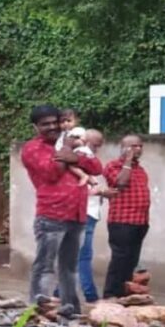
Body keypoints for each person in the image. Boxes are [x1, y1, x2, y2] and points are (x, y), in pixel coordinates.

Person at [20, 104, 103, 315]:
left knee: (70, 267)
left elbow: (96, 167)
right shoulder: (32, 148)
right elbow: (52, 173)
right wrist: (66, 150)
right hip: (51, 215)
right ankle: (37, 311)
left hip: (77, 214)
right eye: (45, 124)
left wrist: (74, 156)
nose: (52, 127)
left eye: (55, 122)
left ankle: (70, 310)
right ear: (35, 127)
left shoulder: (73, 143)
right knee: (45, 265)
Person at [102, 135, 151, 299]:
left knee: (132, 260)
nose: (138, 149)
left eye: (140, 146)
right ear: (123, 148)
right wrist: (128, 162)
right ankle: (110, 294)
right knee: (119, 259)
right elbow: (121, 183)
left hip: (140, 221)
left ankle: (124, 293)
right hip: (122, 221)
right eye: (134, 146)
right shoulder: (113, 166)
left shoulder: (141, 170)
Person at [76, 129, 113, 303]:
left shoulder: (80, 159)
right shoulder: (82, 154)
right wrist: (99, 191)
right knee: (83, 256)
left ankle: (58, 293)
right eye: (96, 145)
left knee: (78, 255)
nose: (97, 150)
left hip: (88, 213)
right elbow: (75, 189)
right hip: (84, 213)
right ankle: (90, 295)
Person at [56, 108, 93, 187]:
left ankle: (84, 176)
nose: (65, 123)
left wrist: (76, 143)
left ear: (76, 121)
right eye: (62, 122)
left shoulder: (78, 130)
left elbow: (83, 140)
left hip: (80, 152)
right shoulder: (62, 134)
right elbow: (59, 145)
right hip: (70, 153)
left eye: (69, 121)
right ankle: (90, 179)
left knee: (71, 165)